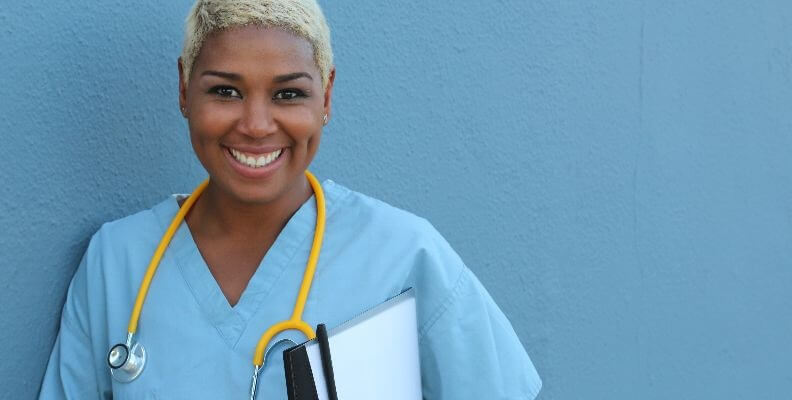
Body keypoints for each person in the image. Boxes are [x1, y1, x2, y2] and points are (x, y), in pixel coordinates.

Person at [38, 0, 542, 398]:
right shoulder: (117, 261)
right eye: (226, 92)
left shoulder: (406, 257)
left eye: (288, 94)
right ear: (184, 90)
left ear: (325, 97)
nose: (256, 125)